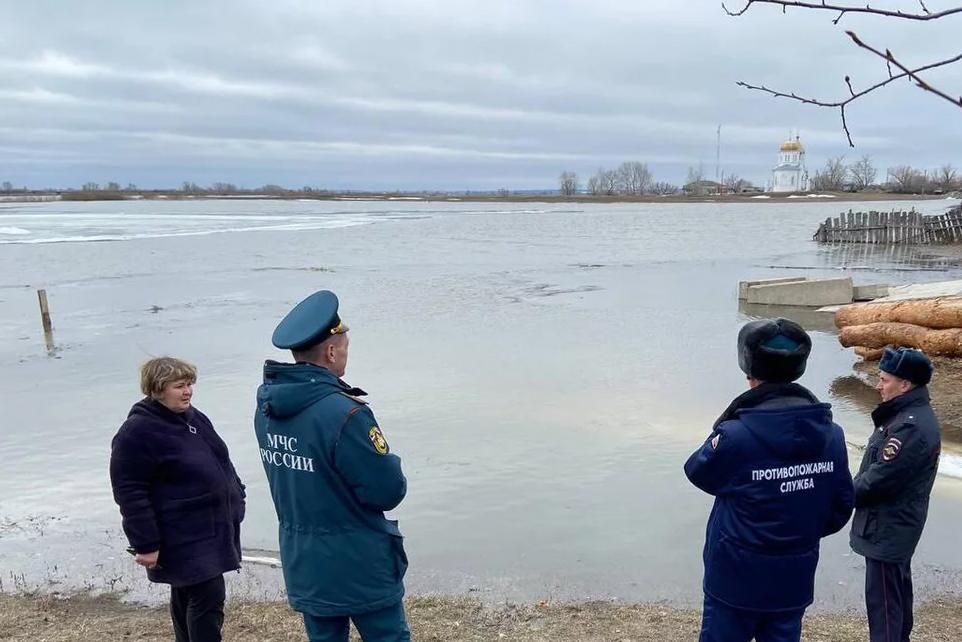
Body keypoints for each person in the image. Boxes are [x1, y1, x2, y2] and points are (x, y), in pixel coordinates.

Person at [684, 318, 854, 642]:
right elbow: (840, 507)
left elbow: (698, 471)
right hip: (794, 577)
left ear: (749, 369)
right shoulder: (832, 435)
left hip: (736, 579)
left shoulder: (737, 435)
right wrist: (796, 530)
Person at [254, 290, 410, 642]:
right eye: (346, 347)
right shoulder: (344, 413)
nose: (345, 354)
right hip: (357, 560)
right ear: (331, 351)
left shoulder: (268, 410)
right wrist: (391, 461)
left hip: (304, 559)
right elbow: (387, 490)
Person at [110, 357, 246, 642]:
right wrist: (145, 544)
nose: (188, 392)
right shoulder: (137, 432)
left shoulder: (193, 417)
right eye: (179, 386)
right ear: (157, 389)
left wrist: (237, 493)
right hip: (182, 534)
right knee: (209, 596)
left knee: (188, 594)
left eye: (190, 384)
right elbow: (130, 492)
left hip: (210, 528)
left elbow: (221, 460)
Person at [850, 347, 941, 642]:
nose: (878, 385)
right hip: (894, 526)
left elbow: (878, 480)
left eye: (885, 379)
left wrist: (836, 495)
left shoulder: (909, 428)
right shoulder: (907, 416)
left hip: (887, 527)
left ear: (905, 384)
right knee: (896, 597)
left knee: (885, 608)